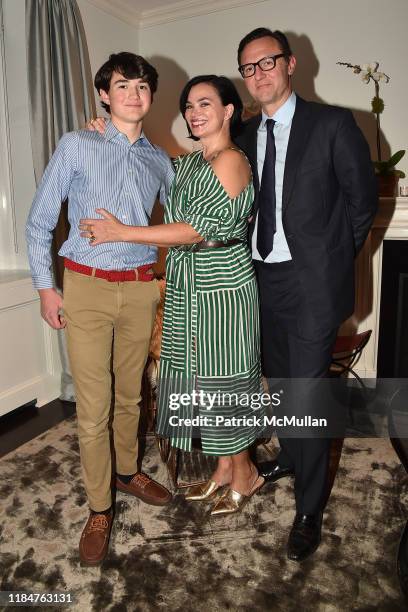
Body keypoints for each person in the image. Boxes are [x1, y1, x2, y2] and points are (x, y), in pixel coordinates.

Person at [79, 75, 265, 516]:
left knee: (225, 382)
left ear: (228, 111)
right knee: (201, 382)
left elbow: (196, 228)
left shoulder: (232, 161)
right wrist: (102, 133)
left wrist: (121, 233)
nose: (194, 112)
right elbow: (141, 163)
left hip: (221, 283)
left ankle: (247, 474)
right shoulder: (189, 162)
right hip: (188, 282)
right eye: (188, 105)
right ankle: (223, 468)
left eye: (205, 103)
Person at [234, 27, 378, 561]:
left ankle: (309, 508)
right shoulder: (245, 134)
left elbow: (362, 204)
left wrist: (331, 260)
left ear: (290, 64)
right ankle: (295, 456)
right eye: (248, 68)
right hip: (260, 278)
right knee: (279, 384)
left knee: (307, 394)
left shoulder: (334, 124)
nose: (258, 74)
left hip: (312, 282)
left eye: (267, 62)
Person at [26, 52, 173, 566]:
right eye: (122, 85)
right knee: (94, 407)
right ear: (104, 96)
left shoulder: (161, 160)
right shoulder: (78, 144)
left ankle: (128, 472)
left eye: (142, 86)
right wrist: (47, 288)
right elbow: (39, 222)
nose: (134, 94)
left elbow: (177, 223)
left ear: (150, 96)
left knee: (132, 395)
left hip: (139, 288)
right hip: (85, 288)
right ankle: (99, 506)